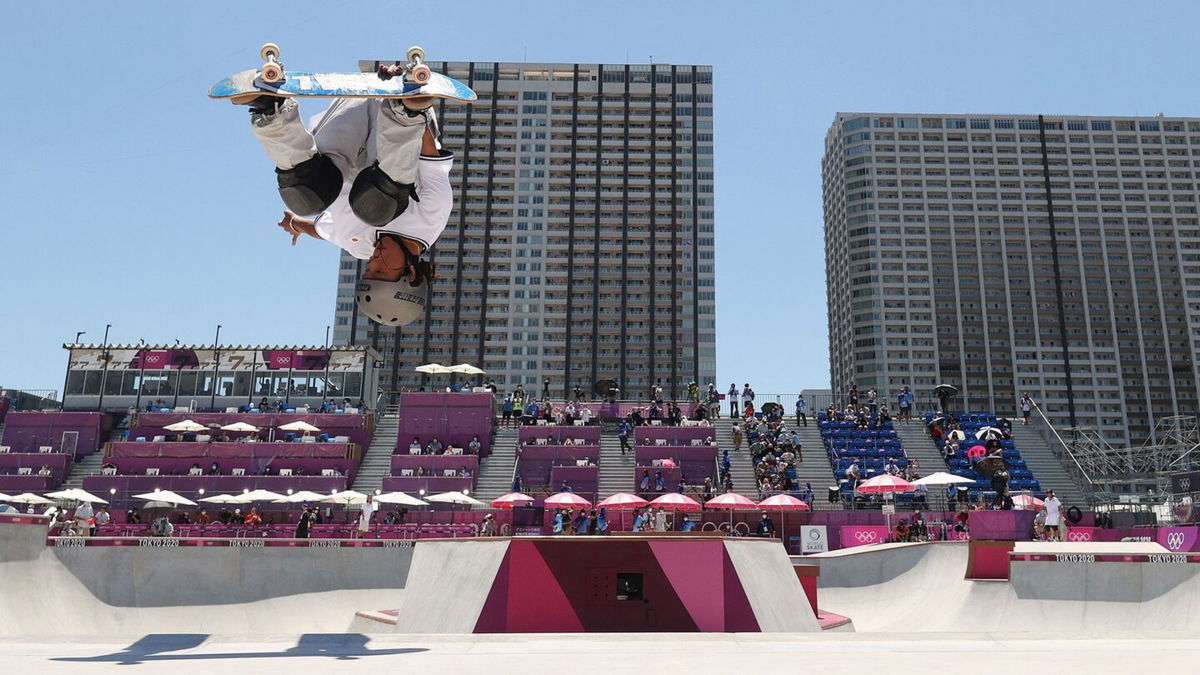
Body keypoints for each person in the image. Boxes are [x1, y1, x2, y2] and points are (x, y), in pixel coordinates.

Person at [239, 86, 451, 327]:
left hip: (350, 128)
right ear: (411, 273)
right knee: (377, 208)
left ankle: (270, 111)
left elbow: (323, 230)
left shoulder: (357, 245)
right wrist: (415, 107)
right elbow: (431, 160)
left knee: (307, 199)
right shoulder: (432, 219)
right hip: (399, 125)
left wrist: (296, 224)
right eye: (381, 271)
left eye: (369, 270)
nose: (373, 260)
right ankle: (405, 114)